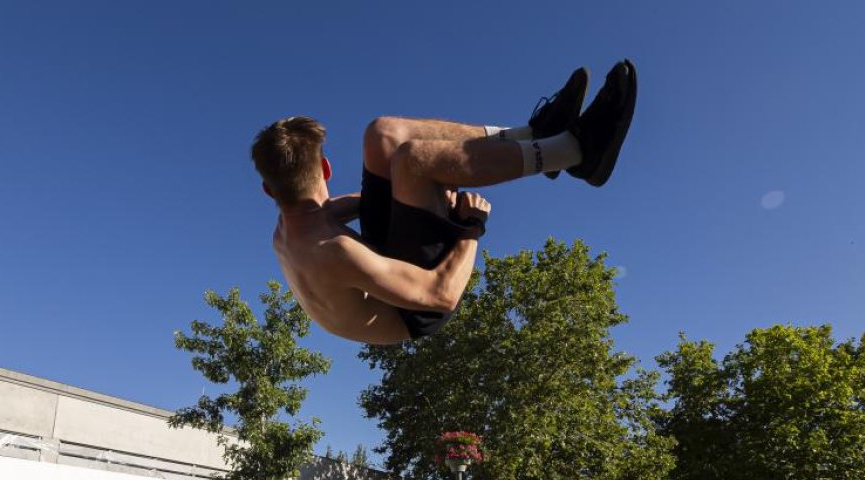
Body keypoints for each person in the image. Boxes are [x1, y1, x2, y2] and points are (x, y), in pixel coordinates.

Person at [254, 61, 638, 345]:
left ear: (270, 192)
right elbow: (442, 294)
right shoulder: (333, 250)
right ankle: (574, 151)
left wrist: (409, 199)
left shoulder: (293, 227)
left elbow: (341, 208)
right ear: (326, 167)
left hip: (382, 263)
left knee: (383, 134)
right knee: (414, 161)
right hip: (415, 306)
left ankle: (532, 134)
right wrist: (470, 226)